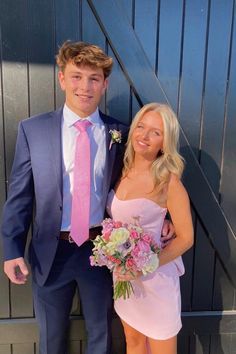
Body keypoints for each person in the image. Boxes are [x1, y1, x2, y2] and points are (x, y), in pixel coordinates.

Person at [1, 42, 174, 354]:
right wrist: (11, 249)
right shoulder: (33, 130)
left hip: (103, 253)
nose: (85, 86)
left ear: (104, 84)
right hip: (49, 253)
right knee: (51, 340)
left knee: (102, 337)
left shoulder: (120, 134)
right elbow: (19, 197)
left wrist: (167, 218)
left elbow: (144, 181)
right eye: (77, 76)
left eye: (94, 78)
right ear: (62, 79)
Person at [106, 102, 194, 354]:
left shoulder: (169, 182)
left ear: (164, 143)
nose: (144, 136)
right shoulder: (120, 170)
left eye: (155, 132)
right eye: (141, 127)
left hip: (155, 281)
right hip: (124, 278)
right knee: (133, 342)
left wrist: (145, 265)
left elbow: (186, 238)